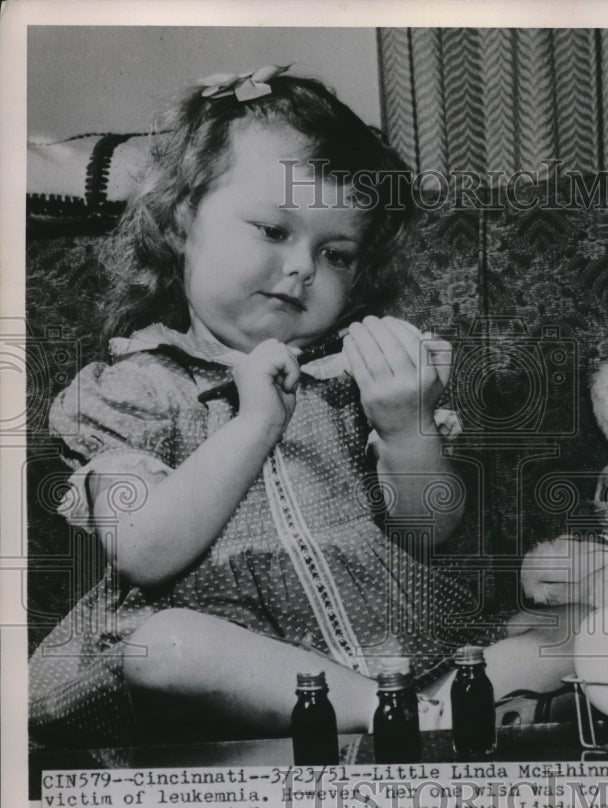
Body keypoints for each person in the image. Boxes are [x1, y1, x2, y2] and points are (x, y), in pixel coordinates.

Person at [29, 67, 578, 751]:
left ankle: (413, 707)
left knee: (569, 635)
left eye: (335, 252)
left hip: (384, 638)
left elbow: (425, 531)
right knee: (163, 647)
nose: (302, 268)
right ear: (178, 221)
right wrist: (256, 420)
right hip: (230, 670)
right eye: (272, 229)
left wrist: (406, 425)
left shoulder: (347, 377)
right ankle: (405, 715)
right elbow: (143, 552)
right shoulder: (129, 389)